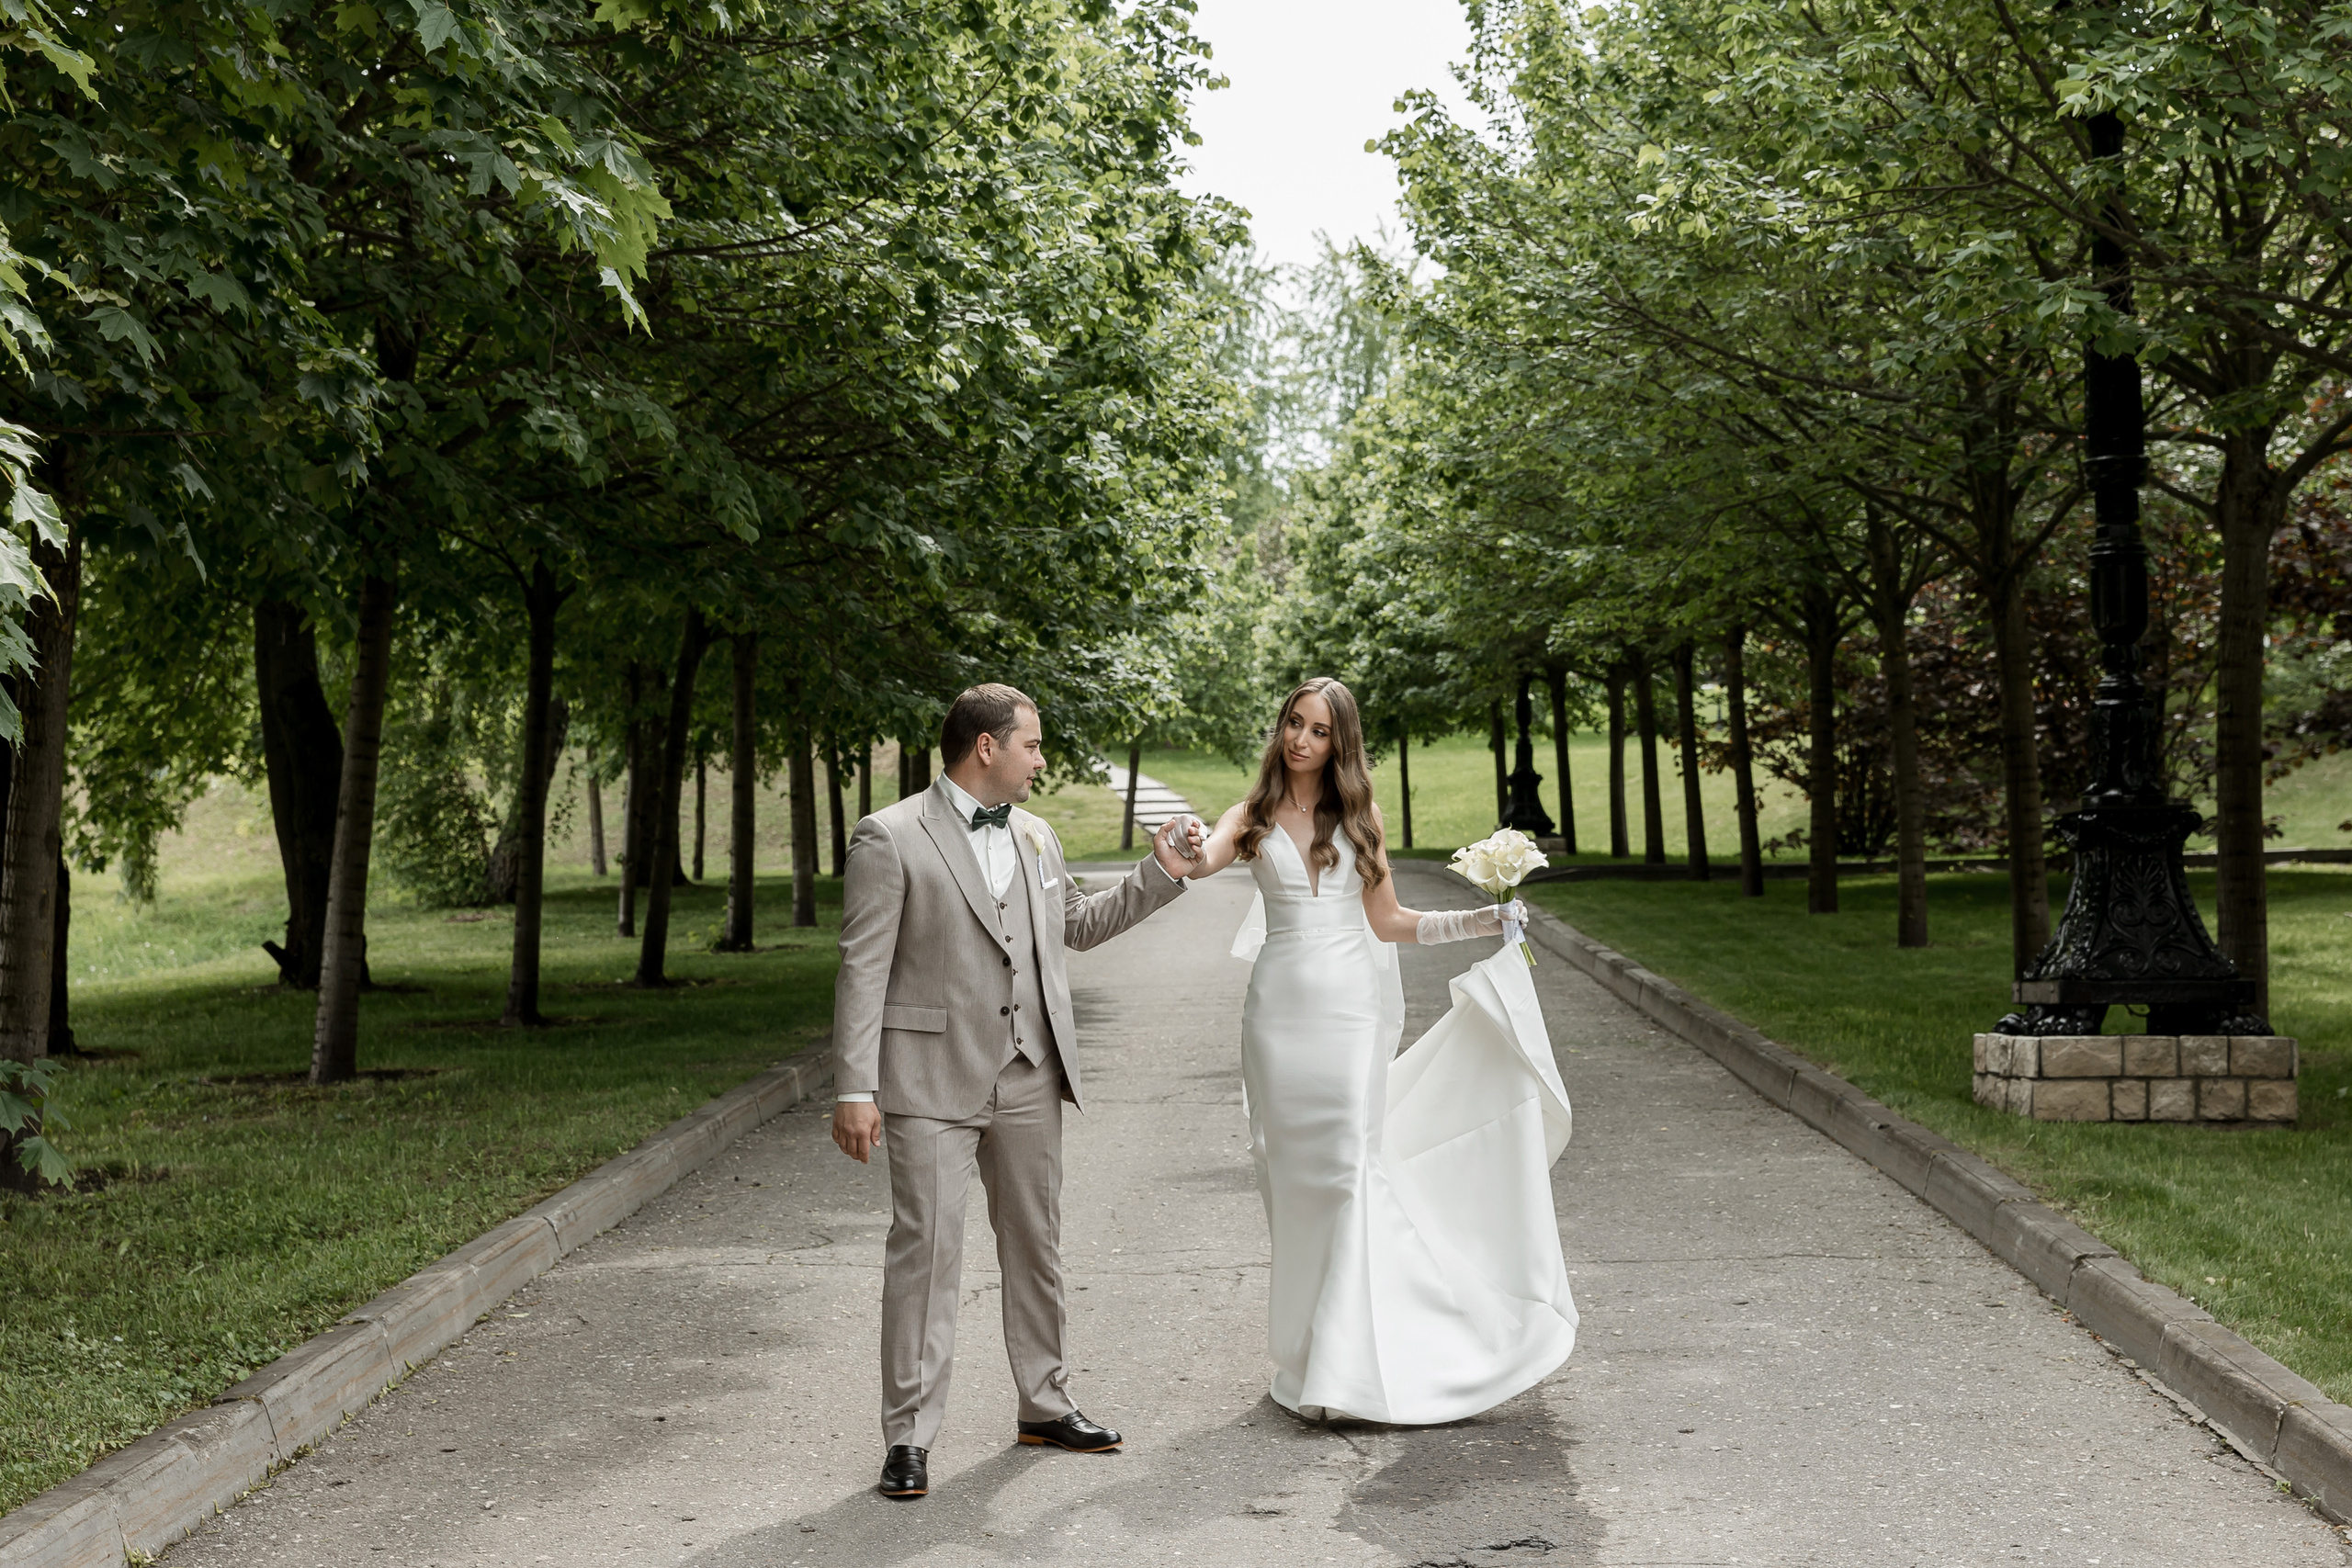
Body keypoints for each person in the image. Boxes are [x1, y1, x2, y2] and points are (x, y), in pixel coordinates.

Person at [830, 682, 1204, 1501]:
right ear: (986, 747)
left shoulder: (1036, 835)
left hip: (1031, 1073)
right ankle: (909, 1437)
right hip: (929, 1078)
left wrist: (1162, 871)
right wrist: (854, 1084)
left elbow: (1077, 923)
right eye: (1031, 745)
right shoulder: (889, 837)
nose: (1041, 759)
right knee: (925, 1255)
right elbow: (862, 967)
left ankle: (1045, 1402)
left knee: (1036, 1243)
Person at [1178, 676, 1578, 1423]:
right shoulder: (1253, 812)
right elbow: (1199, 865)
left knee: (1346, 1174)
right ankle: (1309, 1354)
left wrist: (1480, 922)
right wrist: (1183, 842)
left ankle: (1350, 1367)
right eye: (1294, 723)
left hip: (1349, 1015)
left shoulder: (1360, 817)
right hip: (1277, 1014)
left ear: (1341, 742)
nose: (1301, 739)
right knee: (1292, 1178)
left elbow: (1390, 921)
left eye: (1319, 730)